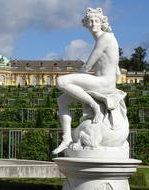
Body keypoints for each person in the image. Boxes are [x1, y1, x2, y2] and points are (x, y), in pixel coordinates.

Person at [52, 7, 120, 154]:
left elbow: (87, 66)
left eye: (96, 21)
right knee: (62, 101)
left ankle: (94, 106)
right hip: (101, 82)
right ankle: (67, 138)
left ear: (102, 23)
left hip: (104, 83)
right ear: (86, 24)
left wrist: (78, 81)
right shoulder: (106, 39)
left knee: (61, 82)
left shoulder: (106, 38)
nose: (93, 24)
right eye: (90, 21)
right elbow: (118, 72)